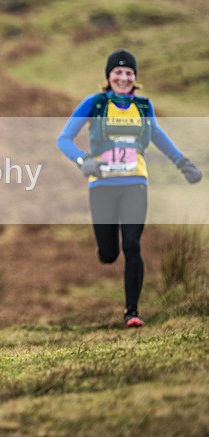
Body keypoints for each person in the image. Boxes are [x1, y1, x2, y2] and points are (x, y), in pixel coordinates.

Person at [57, 49, 202, 327]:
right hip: (102, 185)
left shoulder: (144, 107)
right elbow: (64, 139)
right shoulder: (95, 104)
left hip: (135, 182)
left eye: (128, 73)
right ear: (109, 77)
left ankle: (132, 312)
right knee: (110, 253)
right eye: (118, 72)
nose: (123, 77)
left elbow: (158, 136)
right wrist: (83, 160)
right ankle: (106, 251)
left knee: (133, 245)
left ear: (135, 78)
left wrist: (183, 163)